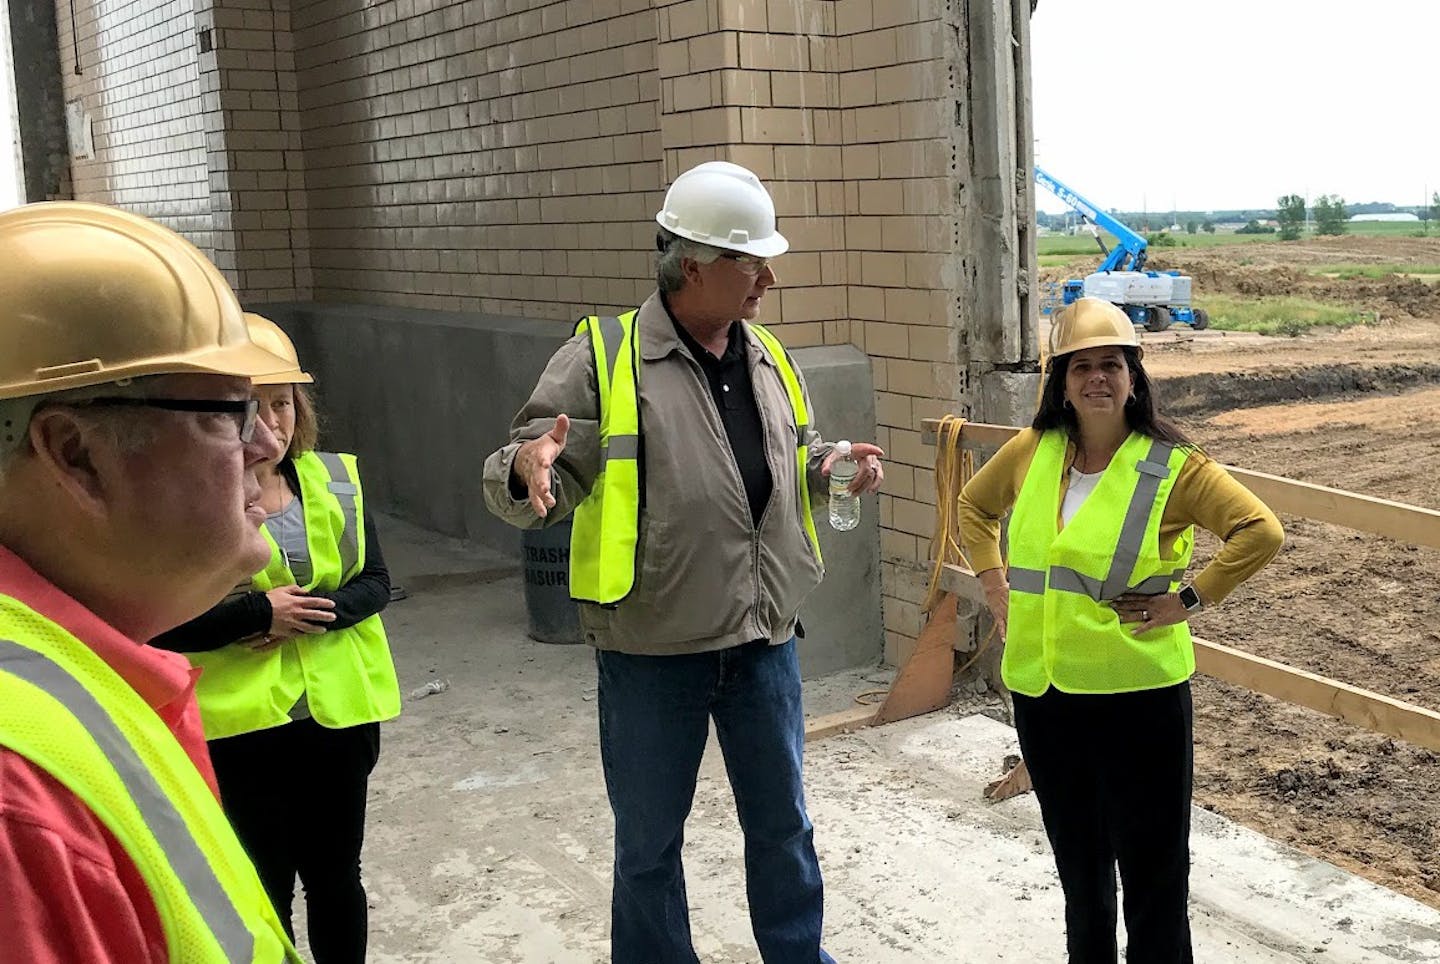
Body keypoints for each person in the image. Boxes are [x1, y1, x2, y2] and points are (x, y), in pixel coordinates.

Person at [484, 160, 883, 963]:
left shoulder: (767, 354)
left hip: (764, 639)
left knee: (783, 827)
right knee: (648, 846)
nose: (767, 278)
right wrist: (525, 471)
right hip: (653, 651)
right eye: (751, 261)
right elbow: (528, 458)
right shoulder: (604, 354)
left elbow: (790, 451)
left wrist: (831, 465)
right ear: (692, 265)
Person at [0, 202, 303, 961]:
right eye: (231, 412)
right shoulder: (20, 805)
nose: (267, 443)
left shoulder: (73, 683)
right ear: (76, 455)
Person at [957, 297, 1285, 963]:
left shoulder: (1173, 464)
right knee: (1081, 877)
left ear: (1134, 376)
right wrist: (994, 584)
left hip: (1139, 702)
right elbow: (974, 505)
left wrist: (1189, 598)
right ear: (1062, 382)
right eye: (1081, 366)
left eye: (1111, 364)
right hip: (1046, 699)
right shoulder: (1034, 450)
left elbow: (1261, 530)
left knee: (1153, 880)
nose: (1096, 378)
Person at [151, 313, 400, 964]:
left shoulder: (335, 478)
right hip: (244, 731)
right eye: (251, 405)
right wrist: (256, 615)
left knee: (337, 878)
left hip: (338, 717)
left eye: (283, 403)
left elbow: (374, 582)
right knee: (263, 890)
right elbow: (162, 623)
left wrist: (311, 613)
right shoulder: (185, 498)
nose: (273, 423)